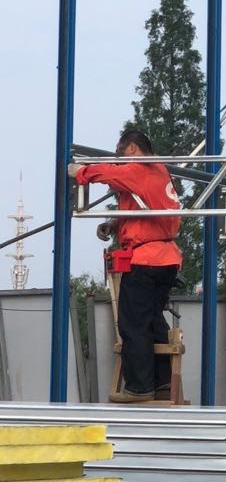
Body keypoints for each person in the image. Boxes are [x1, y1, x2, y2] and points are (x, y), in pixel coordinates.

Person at [71, 130, 182, 403]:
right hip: (166, 258)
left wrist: (80, 172)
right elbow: (143, 210)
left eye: (120, 151)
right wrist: (115, 225)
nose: (119, 158)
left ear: (132, 148)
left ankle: (140, 387)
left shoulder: (139, 168)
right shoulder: (159, 171)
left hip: (146, 259)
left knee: (133, 324)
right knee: (153, 319)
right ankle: (163, 382)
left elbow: (108, 173)